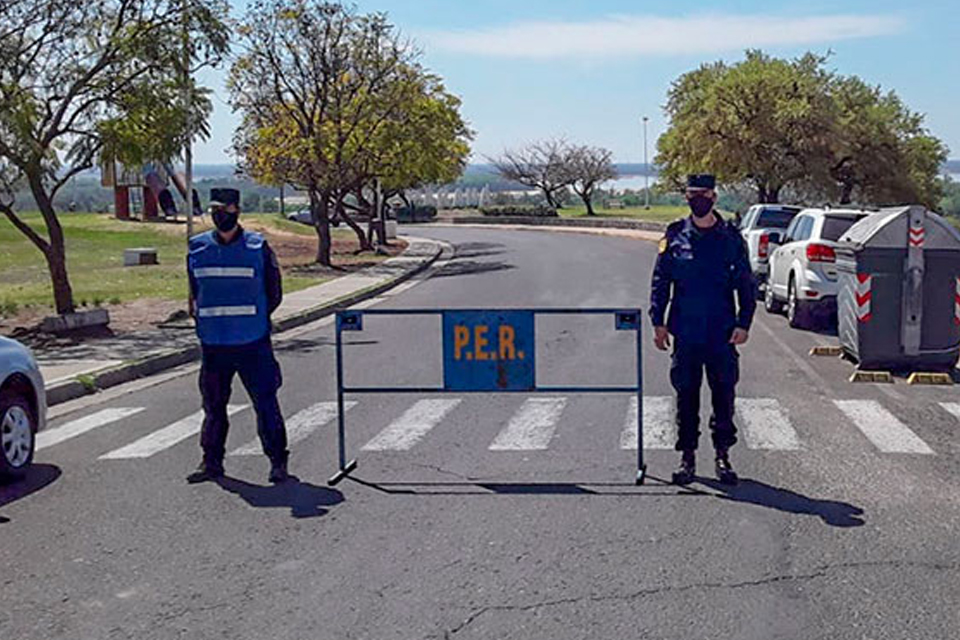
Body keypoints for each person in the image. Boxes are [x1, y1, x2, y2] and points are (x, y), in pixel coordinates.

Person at [649, 175, 756, 486]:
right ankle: (688, 457)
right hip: (685, 331)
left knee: (724, 395)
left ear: (714, 197)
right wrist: (658, 322)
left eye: (704, 194)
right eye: (692, 194)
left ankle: (723, 456)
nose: (698, 199)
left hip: (722, 332)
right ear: (686, 197)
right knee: (686, 396)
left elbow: (746, 284)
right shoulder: (674, 235)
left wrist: (744, 323)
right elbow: (660, 282)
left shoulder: (731, 238)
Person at [186, 188, 289, 484]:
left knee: (265, 403)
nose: (220, 214)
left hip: (252, 342)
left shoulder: (257, 247)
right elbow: (195, 292)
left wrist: (256, 319)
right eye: (215, 209)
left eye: (226, 209)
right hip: (214, 343)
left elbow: (274, 292)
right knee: (213, 407)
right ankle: (211, 463)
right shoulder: (197, 247)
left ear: (237, 211)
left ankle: (277, 462)